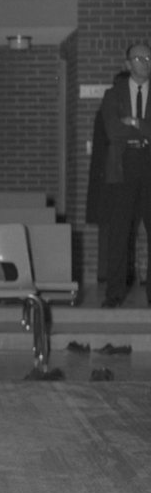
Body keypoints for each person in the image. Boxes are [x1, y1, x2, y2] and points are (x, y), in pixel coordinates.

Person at [97, 42, 151, 308]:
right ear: (128, 64)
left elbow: (129, 128)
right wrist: (142, 130)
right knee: (119, 232)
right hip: (123, 167)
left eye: (149, 58)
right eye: (139, 58)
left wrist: (135, 122)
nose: (145, 62)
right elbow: (113, 132)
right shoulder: (113, 94)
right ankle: (114, 293)